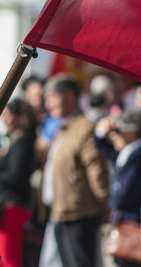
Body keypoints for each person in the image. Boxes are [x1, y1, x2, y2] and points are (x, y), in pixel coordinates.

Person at [40, 74, 109, 267]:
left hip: (80, 214)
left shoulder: (84, 127)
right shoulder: (65, 127)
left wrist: (105, 206)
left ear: (69, 96)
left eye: (52, 97)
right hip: (61, 212)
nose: (48, 104)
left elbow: (96, 169)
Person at [0, 98, 37, 267]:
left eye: (7, 115)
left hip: (12, 206)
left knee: (8, 258)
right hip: (10, 206)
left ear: (18, 117)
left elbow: (14, 176)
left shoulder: (22, 141)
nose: (4, 120)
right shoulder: (17, 140)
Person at [94, 110, 141, 267]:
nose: (114, 136)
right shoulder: (126, 153)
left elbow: (124, 194)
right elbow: (103, 148)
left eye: (119, 132)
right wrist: (101, 132)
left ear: (132, 132)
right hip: (126, 218)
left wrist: (112, 201)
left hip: (133, 219)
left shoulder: (136, 154)